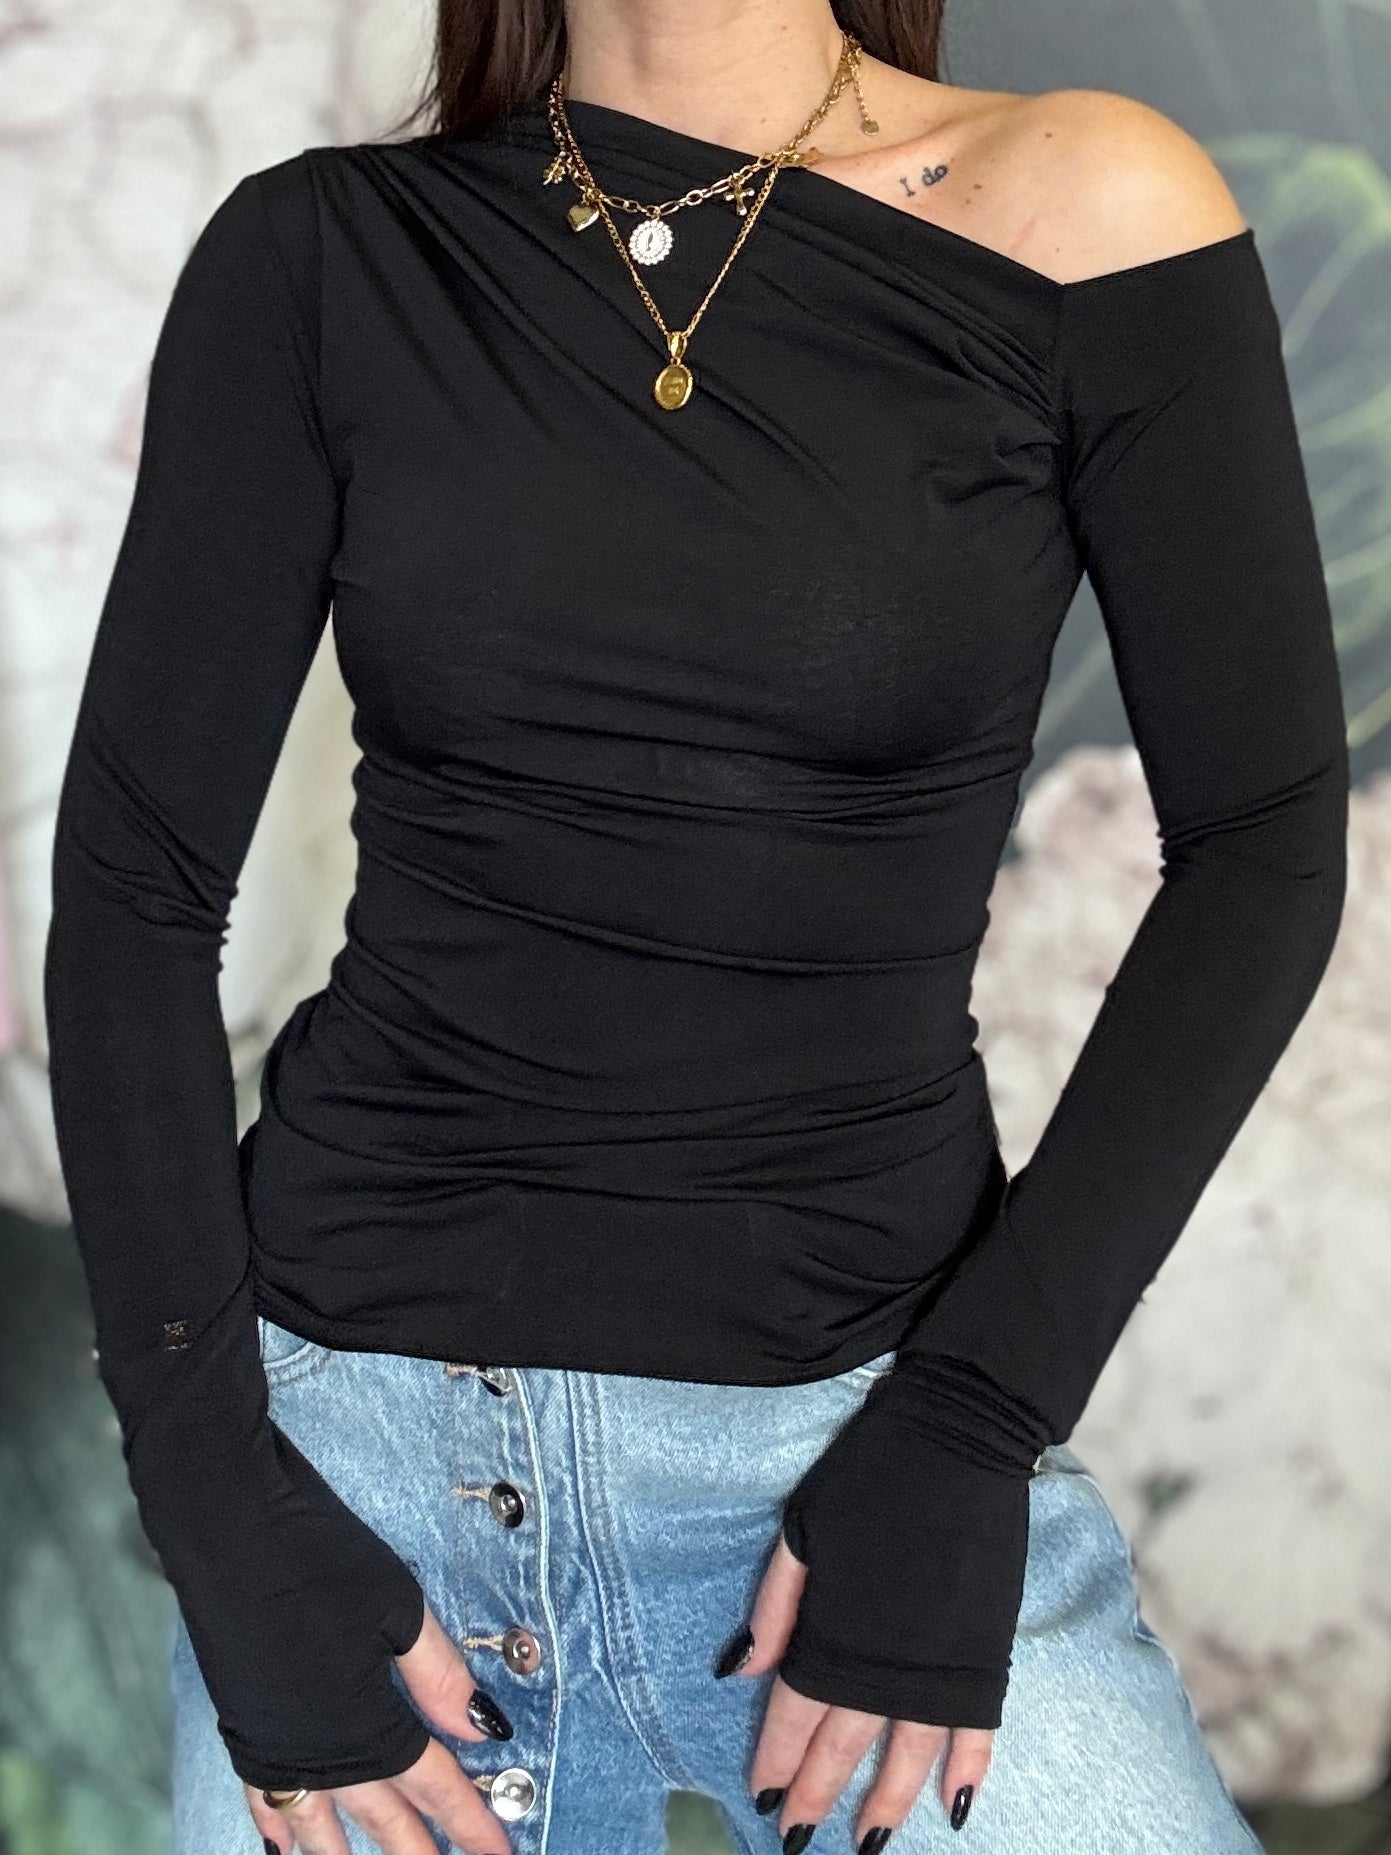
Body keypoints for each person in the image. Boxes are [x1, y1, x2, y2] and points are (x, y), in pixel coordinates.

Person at [42, 0, 1348, 1851]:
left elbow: (1264, 846)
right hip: (368, 1472)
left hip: (863, 1451)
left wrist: (964, 1437)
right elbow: (134, 895)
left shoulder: (1088, 203)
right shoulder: (325, 252)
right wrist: (222, 1520)